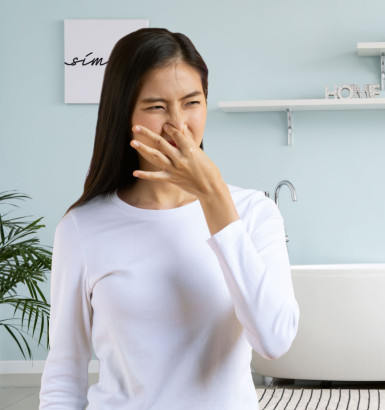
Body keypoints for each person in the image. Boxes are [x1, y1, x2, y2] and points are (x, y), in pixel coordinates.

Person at [39, 28, 299, 409]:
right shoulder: (82, 228)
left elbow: (274, 341)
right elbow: (63, 377)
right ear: (123, 114)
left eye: (192, 102)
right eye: (157, 106)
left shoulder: (255, 213)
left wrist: (214, 199)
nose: (178, 125)